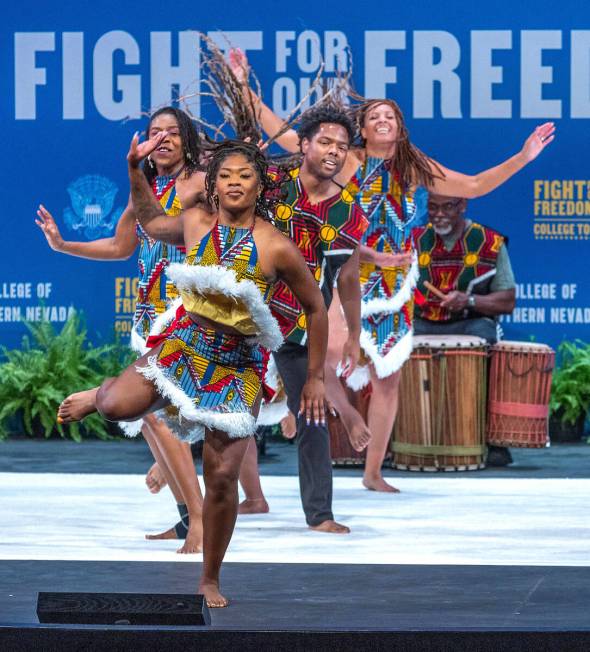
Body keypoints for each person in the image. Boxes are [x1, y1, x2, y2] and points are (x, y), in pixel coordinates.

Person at [229, 47, 555, 489]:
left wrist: (524, 156)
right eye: (374, 116)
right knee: (323, 357)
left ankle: (373, 472)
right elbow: (283, 133)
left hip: (394, 286)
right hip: (344, 276)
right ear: (361, 128)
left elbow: (476, 185)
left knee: (388, 378)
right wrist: (243, 82)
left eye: (391, 116)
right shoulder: (346, 161)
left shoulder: (416, 169)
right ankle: (308, 407)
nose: (383, 121)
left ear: (400, 127)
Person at [95, 134, 329, 608]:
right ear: (214, 186)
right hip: (186, 345)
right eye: (226, 176)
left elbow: (316, 308)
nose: (236, 183)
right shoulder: (195, 223)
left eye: (245, 176)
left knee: (221, 478)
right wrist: (136, 172)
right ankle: (99, 392)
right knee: (113, 405)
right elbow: (149, 220)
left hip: (238, 366)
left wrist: (318, 376)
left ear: (260, 185)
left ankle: (209, 579)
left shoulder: (276, 246)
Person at [35, 107, 206, 552]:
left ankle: (202, 522)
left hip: (190, 312)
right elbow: (120, 245)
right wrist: (63, 244)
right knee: (153, 420)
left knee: (158, 415)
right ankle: (189, 518)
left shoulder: (200, 184)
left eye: (173, 131)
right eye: (155, 132)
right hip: (153, 312)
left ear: (188, 140)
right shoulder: (143, 191)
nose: (164, 138)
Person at [267, 105, 370, 533]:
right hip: (245, 320)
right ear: (303, 144)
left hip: (298, 329)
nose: (334, 152)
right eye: (325, 142)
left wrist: (354, 332)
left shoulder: (350, 213)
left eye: (342, 147)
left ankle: (320, 513)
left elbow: (347, 277)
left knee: (311, 414)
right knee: (216, 410)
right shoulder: (270, 186)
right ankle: (192, 509)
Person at [413, 192, 516, 466]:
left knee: (487, 340)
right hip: (423, 321)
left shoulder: (489, 242)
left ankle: (493, 439)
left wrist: (469, 300)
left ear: (463, 205)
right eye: (433, 207)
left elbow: (507, 300)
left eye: (447, 207)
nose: (438, 214)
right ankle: (395, 437)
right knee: (392, 348)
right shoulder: (414, 240)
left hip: (470, 321)